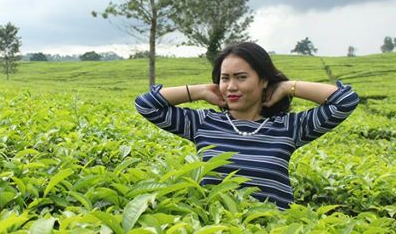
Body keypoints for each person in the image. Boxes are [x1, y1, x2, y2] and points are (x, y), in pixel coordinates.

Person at [134, 42, 359, 209]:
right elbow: (147, 105)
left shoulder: (288, 127)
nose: (231, 86)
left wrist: (287, 87)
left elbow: (345, 101)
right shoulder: (203, 123)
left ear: (263, 81)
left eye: (241, 77)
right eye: (225, 78)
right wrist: (201, 91)